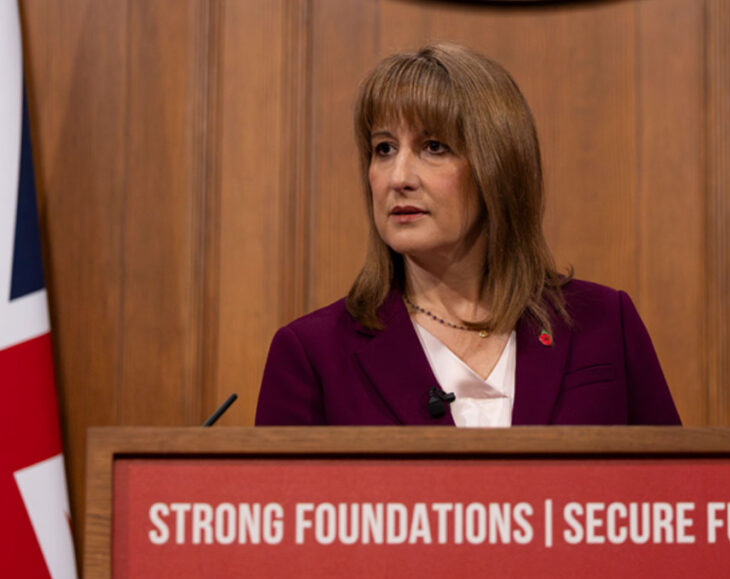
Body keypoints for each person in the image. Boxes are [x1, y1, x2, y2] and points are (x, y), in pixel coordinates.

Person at [255, 43, 680, 427]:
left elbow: (675, 498)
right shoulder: (312, 355)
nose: (398, 177)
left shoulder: (606, 322)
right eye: (384, 149)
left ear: (497, 167)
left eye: (433, 147)